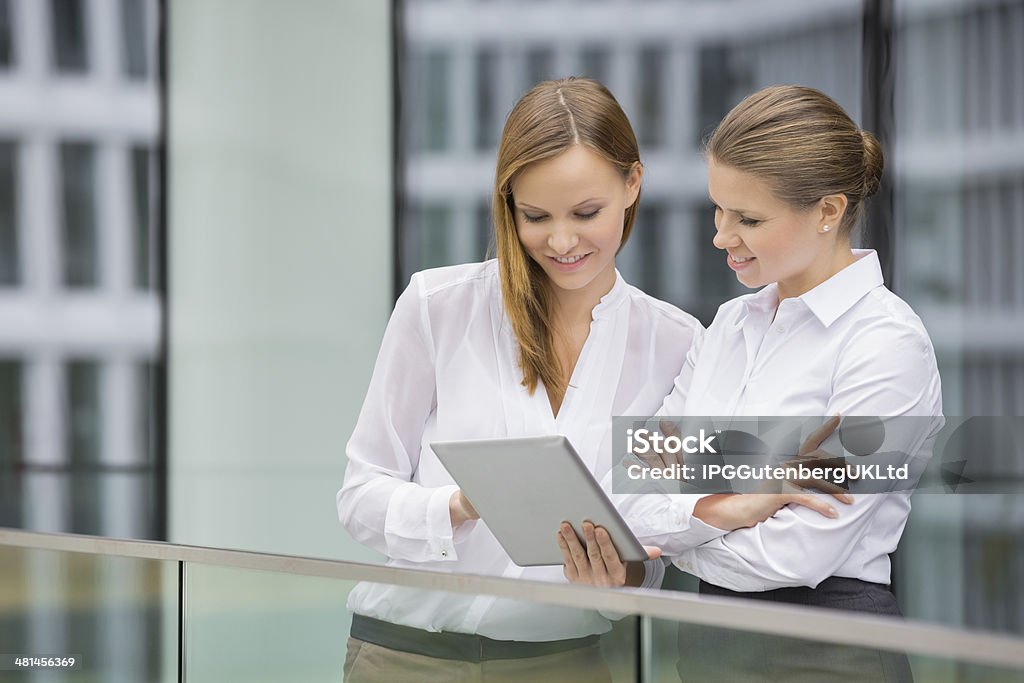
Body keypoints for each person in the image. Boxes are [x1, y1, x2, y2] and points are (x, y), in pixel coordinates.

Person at [336, 78, 846, 683]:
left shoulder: (678, 344)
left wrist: (622, 574)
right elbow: (360, 497)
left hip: (565, 663)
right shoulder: (439, 306)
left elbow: (656, 536)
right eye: (535, 216)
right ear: (508, 204)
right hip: (405, 657)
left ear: (632, 185)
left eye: (586, 213)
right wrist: (460, 504)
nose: (560, 241)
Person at [560, 85, 943, 682]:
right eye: (718, 209)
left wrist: (684, 524)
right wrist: (742, 503)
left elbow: (801, 551)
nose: (721, 236)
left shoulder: (886, 345)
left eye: (749, 219)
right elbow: (629, 490)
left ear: (827, 211)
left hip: (822, 653)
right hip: (705, 644)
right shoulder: (729, 326)